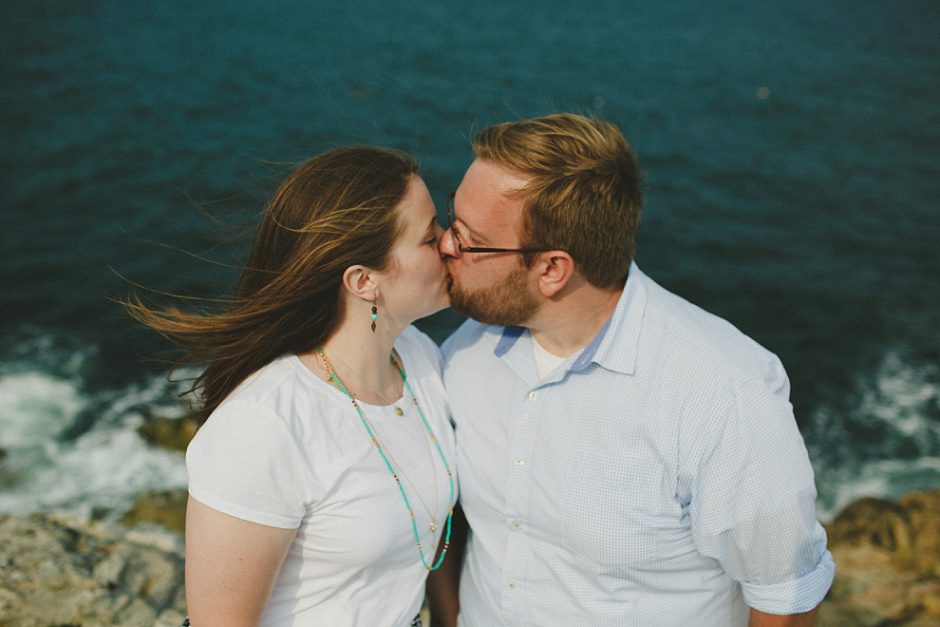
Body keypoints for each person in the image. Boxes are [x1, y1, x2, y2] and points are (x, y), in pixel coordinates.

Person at [429, 114, 835, 626]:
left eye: (469, 239)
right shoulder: (466, 351)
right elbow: (450, 516)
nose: (445, 244)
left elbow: (787, 592)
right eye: (452, 218)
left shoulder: (724, 393)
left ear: (552, 270)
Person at [126, 146, 456, 626]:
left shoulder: (419, 357)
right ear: (364, 281)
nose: (451, 244)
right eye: (430, 237)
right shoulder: (264, 426)